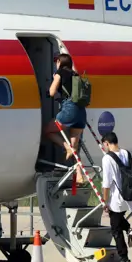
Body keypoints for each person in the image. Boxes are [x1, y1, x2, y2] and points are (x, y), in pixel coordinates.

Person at [45, 53, 87, 182]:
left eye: (56, 62)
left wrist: (54, 81)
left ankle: (66, 147)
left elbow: (52, 92)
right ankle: (79, 175)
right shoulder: (76, 75)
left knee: (48, 131)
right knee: (75, 146)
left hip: (69, 110)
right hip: (81, 112)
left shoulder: (60, 73)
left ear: (59, 62)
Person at [100, 132, 132, 262]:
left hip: (117, 198)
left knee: (116, 230)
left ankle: (124, 259)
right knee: (118, 219)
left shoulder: (107, 158)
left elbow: (106, 183)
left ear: (107, 143)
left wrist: (105, 201)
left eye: (104, 145)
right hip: (129, 196)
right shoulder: (126, 153)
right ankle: (130, 230)